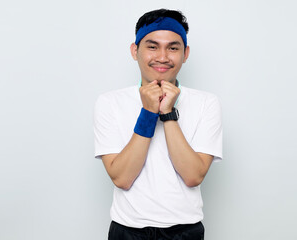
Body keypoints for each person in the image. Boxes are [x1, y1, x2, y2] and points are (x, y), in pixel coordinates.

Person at [94, 8, 222, 240]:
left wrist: (167, 113)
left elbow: (193, 176)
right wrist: (148, 112)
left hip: (185, 230)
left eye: (173, 47)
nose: (162, 57)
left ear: (185, 53)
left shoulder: (206, 103)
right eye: (152, 46)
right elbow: (122, 178)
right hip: (128, 229)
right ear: (135, 51)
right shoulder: (110, 102)